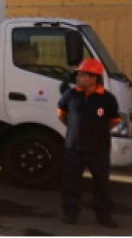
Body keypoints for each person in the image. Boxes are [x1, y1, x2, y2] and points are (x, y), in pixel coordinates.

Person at [57, 58, 121, 228]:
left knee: (101, 183)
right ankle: (70, 213)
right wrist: (75, 128)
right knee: (71, 182)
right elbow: (61, 115)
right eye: (78, 74)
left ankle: (104, 216)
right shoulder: (70, 95)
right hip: (73, 147)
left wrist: (96, 132)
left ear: (94, 78)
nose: (78, 78)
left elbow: (114, 121)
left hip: (98, 149)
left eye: (83, 75)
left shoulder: (107, 99)